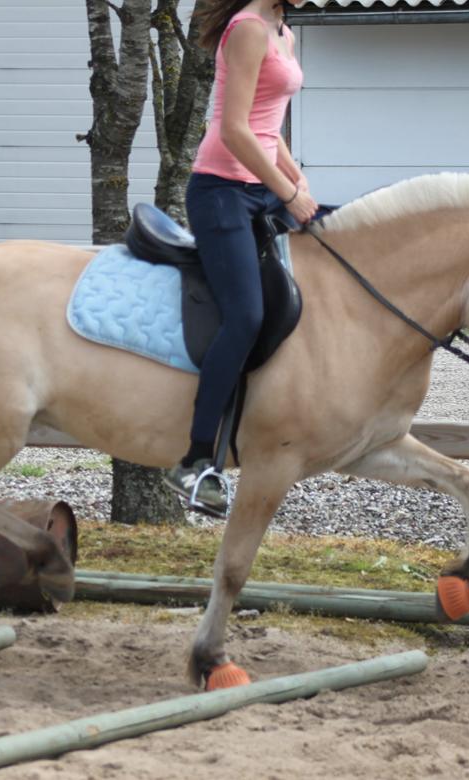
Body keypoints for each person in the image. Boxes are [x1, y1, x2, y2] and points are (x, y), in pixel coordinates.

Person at [163, 0, 318, 516]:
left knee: (335, 241)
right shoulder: (247, 29)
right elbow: (234, 130)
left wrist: (297, 182)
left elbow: (268, 128)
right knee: (245, 315)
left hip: (262, 185)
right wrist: (286, 190)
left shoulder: (283, 30)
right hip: (221, 191)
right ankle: (196, 459)